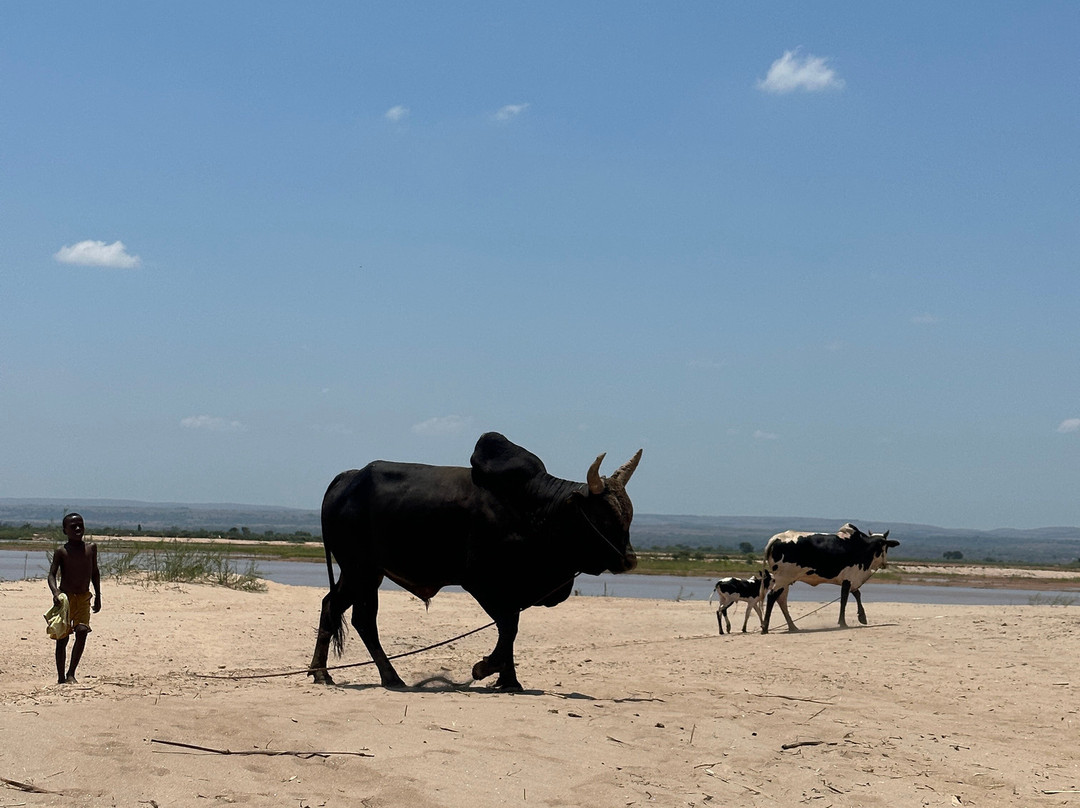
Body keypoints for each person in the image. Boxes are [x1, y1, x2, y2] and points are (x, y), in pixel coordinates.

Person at [48, 513, 102, 684]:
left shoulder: (91, 548)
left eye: (80, 525)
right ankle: (61, 677)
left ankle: (71, 673)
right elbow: (51, 575)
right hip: (66, 599)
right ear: (65, 530)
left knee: (82, 631)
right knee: (62, 638)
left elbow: (94, 572)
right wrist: (55, 592)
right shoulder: (61, 552)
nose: (78, 529)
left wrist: (98, 596)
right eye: (73, 526)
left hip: (84, 597)